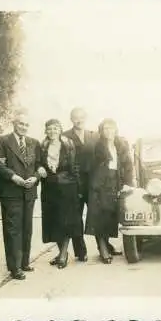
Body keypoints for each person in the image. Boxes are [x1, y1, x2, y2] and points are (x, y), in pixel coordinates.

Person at [63, 107, 122, 259]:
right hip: (74, 182)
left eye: (82, 117)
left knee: (100, 214)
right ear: (71, 119)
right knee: (75, 217)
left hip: (95, 182)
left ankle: (105, 246)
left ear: (86, 118)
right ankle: (81, 252)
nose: (79, 120)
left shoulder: (95, 136)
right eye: (75, 117)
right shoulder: (64, 136)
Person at [0, 111, 44, 280]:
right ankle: (14, 267)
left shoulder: (34, 143)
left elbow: (39, 166)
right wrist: (14, 178)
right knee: (13, 229)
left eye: (26, 125)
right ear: (14, 123)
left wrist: (35, 178)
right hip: (11, 191)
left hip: (29, 191)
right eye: (21, 123)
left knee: (27, 228)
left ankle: (24, 263)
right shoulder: (2, 141)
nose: (24, 127)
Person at [85, 118, 134, 264]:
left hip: (115, 183)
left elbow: (128, 165)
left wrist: (127, 183)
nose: (108, 131)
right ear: (101, 130)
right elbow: (89, 167)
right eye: (105, 128)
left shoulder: (121, 145)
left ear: (116, 130)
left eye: (111, 128)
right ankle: (102, 249)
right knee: (98, 216)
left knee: (109, 216)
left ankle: (107, 245)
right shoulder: (96, 146)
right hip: (99, 185)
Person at [38, 119, 83, 269]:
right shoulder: (42, 146)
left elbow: (75, 166)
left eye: (55, 129)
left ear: (60, 130)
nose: (52, 131)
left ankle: (63, 255)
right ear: (46, 131)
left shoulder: (68, 144)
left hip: (67, 187)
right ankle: (61, 253)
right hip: (49, 187)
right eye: (49, 129)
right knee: (54, 221)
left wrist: (78, 188)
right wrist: (39, 168)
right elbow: (37, 162)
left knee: (66, 221)